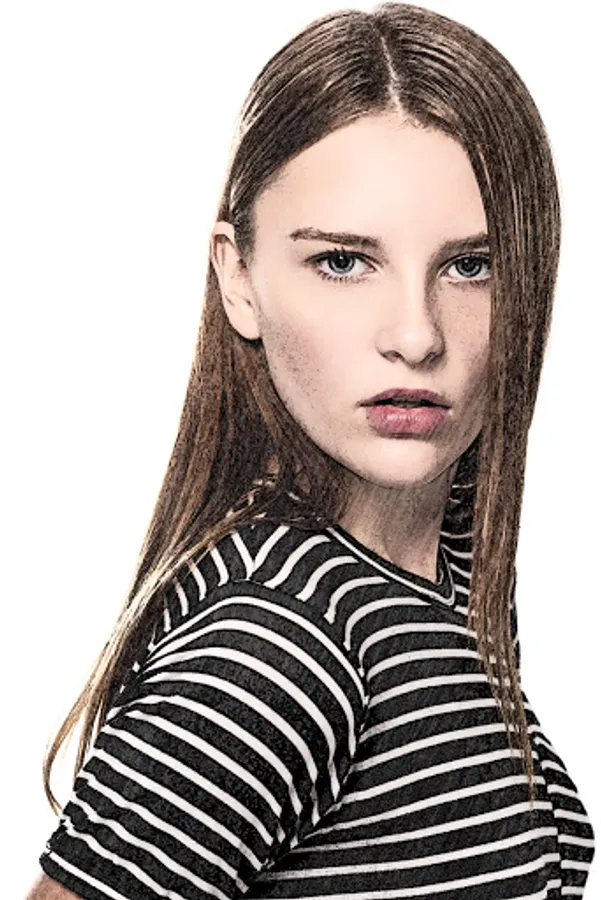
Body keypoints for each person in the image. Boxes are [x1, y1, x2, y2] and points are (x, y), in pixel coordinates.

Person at [25, 3, 595, 899]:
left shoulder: (446, 565)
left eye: (470, 265)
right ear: (239, 279)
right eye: (341, 262)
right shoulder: (276, 641)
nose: (415, 335)